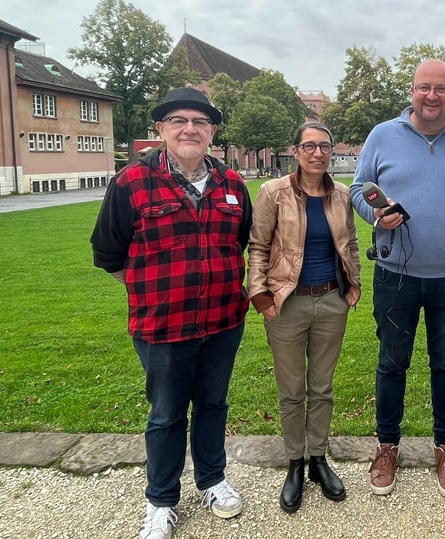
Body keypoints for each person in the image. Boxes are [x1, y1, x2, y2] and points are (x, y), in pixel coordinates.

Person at [90, 87, 251, 539]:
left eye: (200, 122)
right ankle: (161, 500)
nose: (189, 129)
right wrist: (149, 291)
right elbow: (108, 253)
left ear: (212, 132)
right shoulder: (132, 182)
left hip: (223, 321)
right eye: (179, 121)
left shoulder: (233, 185)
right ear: (161, 129)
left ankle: (213, 480)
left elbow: (241, 243)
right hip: (162, 326)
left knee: (214, 404)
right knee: (166, 413)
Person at [350, 59, 445, 499]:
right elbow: (357, 188)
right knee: (392, 363)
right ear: (411, 89)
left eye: (441, 89)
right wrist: (375, 214)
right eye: (424, 87)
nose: (432, 96)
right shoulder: (382, 135)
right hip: (395, 275)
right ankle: (386, 445)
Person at [247, 122, 361, 514]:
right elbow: (258, 246)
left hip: (330, 300)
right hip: (286, 303)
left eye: (324, 146)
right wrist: (260, 296)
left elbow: (352, 244)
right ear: (295, 151)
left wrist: (353, 289)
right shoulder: (273, 193)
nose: (318, 153)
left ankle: (318, 459)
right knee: (292, 390)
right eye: (309, 146)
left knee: (323, 387)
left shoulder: (342, 195)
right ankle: (295, 462)